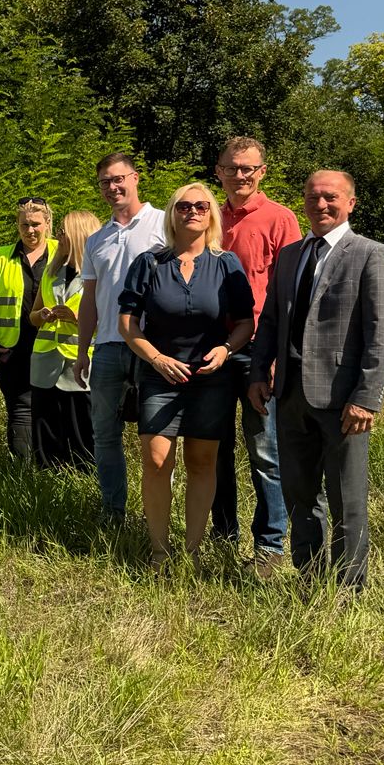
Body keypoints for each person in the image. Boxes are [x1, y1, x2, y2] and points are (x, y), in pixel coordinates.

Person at [250, 171, 384, 591]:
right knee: (299, 494)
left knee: (346, 499)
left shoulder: (370, 254)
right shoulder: (291, 256)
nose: (320, 204)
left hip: (342, 400)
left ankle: (348, 590)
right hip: (289, 395)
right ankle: (309, 578)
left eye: (331, 197)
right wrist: (259, 373)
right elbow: (271, 320)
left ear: (351, 202)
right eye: (313, 197)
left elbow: (382, 331)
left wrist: (366, 397)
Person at [118, 184, 254, 567]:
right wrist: (156, 358)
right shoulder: (149, 263)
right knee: (156, 460)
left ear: (211, 214)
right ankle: (159, 551)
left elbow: (246, 322)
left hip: (211, 379)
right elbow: (127, 322)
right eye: (183, 206)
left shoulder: (226, 263)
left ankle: (192, 552)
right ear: (172, 213)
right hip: (160, 375)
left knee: (202, 461)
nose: (192, 211)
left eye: (201, 206)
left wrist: (226, 349)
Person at [212, 137, 302, 572]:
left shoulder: (280, 219)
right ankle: (222, 534)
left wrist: (276, 356)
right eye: (231, 168)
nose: (239, 175)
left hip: (257, 353)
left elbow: (293, 293)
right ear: (219, 172)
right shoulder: (209, 217)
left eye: (247, 168)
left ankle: (270, 546)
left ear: (262, 172)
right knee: (214, 448)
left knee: (265, 453)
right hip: (212, 350)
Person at [73, 152, 167, 523]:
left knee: (156, 437)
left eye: (118, 179)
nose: (112, 188)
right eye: (105, 182)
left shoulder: (164, 224)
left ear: (135, 178)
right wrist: (83, 351)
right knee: (104, 434)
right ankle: (113, 511)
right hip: (108, 347)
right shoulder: (96, 239)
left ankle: (156, 515)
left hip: (153, 347)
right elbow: (89, 300)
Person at [0, 197, 56, 461]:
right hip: (11, 348)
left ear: (47, 223)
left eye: (35, 224)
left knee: (51, 408)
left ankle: (51, 466)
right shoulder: (2, 255)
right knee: (20, 409)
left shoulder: (62, 252)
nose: (30, 230)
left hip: (53, 346)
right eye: (24, 225)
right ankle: (23, 470)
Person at [25, 209, 100, 469]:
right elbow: (32, 316)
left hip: (80, 363)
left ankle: (84, 476)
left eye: (62, 231)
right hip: (45, 361)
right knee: (46, 427)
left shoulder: (98, 274)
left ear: (79, 235)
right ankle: (47, 474)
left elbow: (111, 322)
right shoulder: (51, 270)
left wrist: (77, 317)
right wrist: (42, 315)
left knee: (82, 428)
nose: (58, 236)